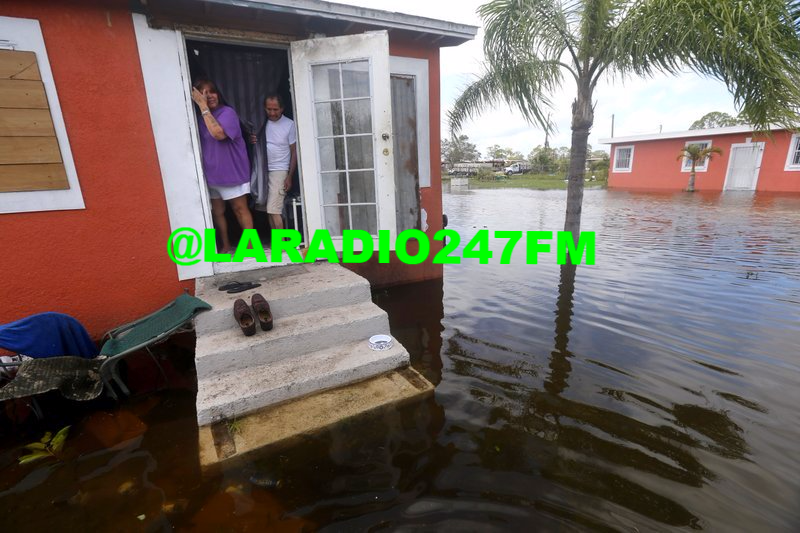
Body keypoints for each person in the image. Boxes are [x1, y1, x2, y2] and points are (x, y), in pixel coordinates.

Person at [191, 79, 253, 253]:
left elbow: (218, 134)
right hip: (211, 173)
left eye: (212, 91)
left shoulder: (227, 112)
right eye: (204, 93)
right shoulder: (198, 118)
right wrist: (203, 110)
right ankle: (225, 245)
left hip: (232, 172)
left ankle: (249, 247)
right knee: (217, 211)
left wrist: (203, 107)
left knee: (239, 209)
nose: (209, 96)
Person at [262, 94, 297, 230]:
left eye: (275, 109)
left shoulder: (289, 124)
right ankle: (276, 243)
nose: (272, 113)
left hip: (280, 170)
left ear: (282, 108)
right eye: (269, 109)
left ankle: (281, 245)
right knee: (269, 210)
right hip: (264, 170)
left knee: (274, 209)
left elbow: (294, 152)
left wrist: (289, 176)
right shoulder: (261, 123)